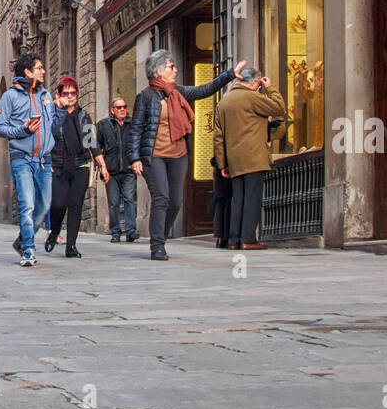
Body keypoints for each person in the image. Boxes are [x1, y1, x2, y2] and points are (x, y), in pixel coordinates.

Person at [126, 49, 248, 261]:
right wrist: (134, 158)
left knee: (175, 202)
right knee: (161, 196)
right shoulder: (145, 97)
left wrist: (229, 75)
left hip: (178, 154)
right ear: (159, 71)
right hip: (154, 155)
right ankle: (157, 246)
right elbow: (135, 129)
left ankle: (160, 236)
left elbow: (204, 90)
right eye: (171, 67)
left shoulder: (178, 92)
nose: (175, 70)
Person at [0, 52, 66, 267]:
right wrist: (23, 130)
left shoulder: (45, 95)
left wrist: (60, 110)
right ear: (27, 72)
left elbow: (52, 128)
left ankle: (22, 240)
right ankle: (28, 249)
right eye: (39, 68)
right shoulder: (10, 96)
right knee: (27, 206)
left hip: (44, 160)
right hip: (22, 159)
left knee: (44, 207)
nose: (43, 71)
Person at [213, 65, 287, 249]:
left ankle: (233, 240)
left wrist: (222, 164)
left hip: (234, 159)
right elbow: (279, 108)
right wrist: (270, 88)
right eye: (258, 84)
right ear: (254, 82)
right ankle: (247, 239)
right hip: (254, 157)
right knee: (252, 198)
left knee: (238, 198)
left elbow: (218, 137)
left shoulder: (224, 102)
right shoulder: (253, 97)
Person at [45, 77, 103, 259]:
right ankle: (54, 232)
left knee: (76, 205)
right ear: (59, 94)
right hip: (58, 165)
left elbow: (91, 142)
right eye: (65, 93)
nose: (70, 96)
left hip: (81, 164)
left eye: (73, 93)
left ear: (77, 95)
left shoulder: (84, 116)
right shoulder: (52, 114)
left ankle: (71, 246)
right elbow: (45, 139)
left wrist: (102, 164)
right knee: (58, 204)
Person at [96, 96, 140, 244]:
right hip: (111, 170)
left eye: (124, 106)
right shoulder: (103, 125)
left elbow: (137, 143)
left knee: (129, 199)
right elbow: (96, 147)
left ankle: (131, 231)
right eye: (119, 107)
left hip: (128, 169)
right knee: (114, 203)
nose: (122, 110)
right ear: (112, 110)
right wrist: (102, 167)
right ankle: (115, 232)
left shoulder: (132, 124)